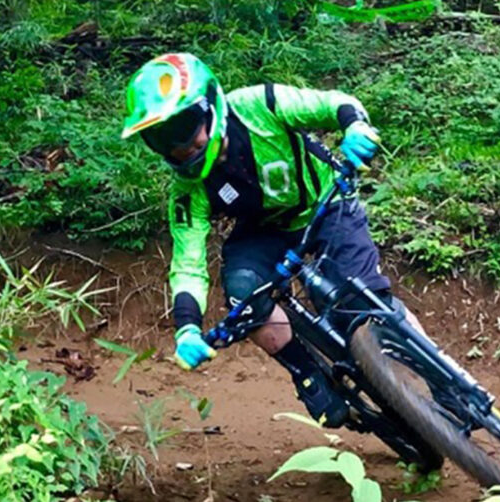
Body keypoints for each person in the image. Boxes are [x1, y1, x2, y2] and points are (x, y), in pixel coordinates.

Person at [121, 53, 428, 428]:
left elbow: (333, 103)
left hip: (325, 203)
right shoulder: (186, 191)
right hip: (264, 230)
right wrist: (187, 327)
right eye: (160, 138)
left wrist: (355, 127)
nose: (178, 147)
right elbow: (187, 262)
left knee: (363, 300)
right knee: (243, 294)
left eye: (183, 127)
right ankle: (306, 372)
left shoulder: (257, 105)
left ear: (210, 105)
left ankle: (433, 368)